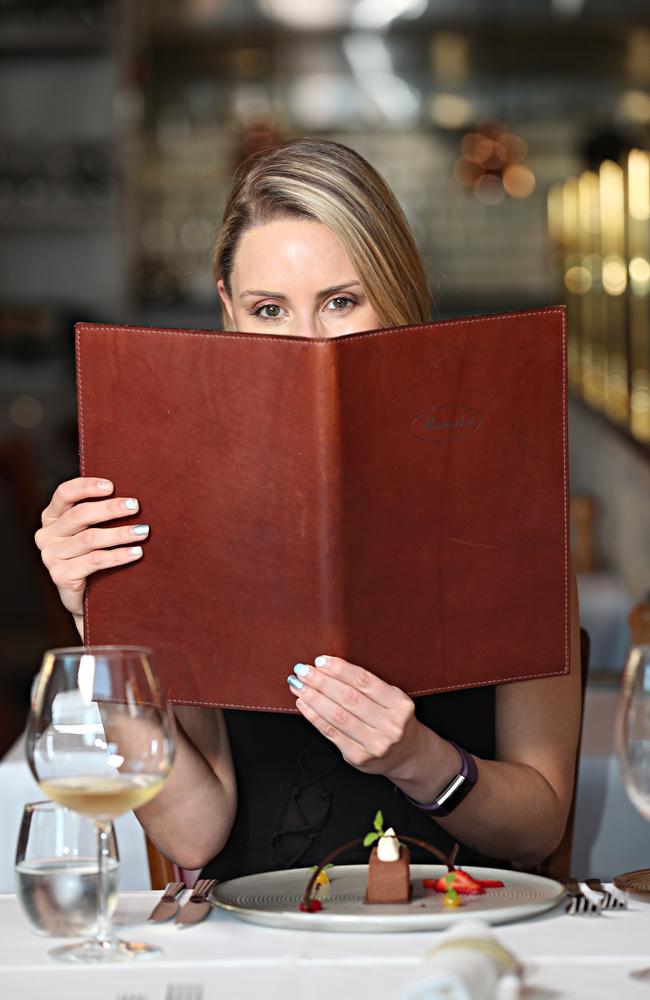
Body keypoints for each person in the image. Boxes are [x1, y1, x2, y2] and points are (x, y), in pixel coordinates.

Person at [34, 137, 582, 879]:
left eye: (341, 302)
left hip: (456, 928)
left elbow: (538, 826)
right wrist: (99, 625)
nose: (308, 344)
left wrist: (415, 758)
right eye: (270, 308)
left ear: (400, 294)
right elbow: (193, 835)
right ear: (228, 311)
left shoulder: (509, 492)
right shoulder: (177, 503)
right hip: (255, 943)